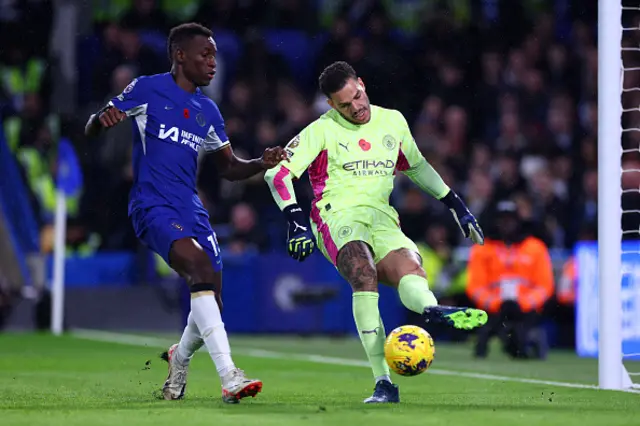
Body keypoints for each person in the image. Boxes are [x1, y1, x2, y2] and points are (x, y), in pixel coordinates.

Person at [84, 23, 288, 403]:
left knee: (211, 294)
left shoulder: (207, 110)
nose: (213, 63)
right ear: (180, 55)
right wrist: (100, 120)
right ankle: (229, 377)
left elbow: (228, 168)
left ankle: (179, 356)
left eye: (214, 55)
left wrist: (262, 161)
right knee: (199, 269)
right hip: (152, 203)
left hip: (191, 207)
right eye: (205, 55)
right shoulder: (147, 88)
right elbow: (91, 127)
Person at [264, 61, 487, 404]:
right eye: (344, 104)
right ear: (331, 106)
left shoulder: (393, 121)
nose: (355, 107)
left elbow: (417, 166)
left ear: (362, 84)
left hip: (383, 217)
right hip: (336, 216)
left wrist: (456, 204)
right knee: (363, 272)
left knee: (410, 270)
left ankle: (431, 310)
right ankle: (383, 381)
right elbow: (277, 174)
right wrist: (294, 219)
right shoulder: (321, 130)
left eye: (356, 96)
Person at [467, 200, 554, 360]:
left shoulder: (535, 248)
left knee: (523, 335)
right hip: (494, 309)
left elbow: (544, 286)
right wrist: (496, 303)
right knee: (487, 329)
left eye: (510, 219)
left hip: (526, 309)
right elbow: (475, 286)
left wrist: (523, 303)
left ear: (518, 221)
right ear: (495, 221)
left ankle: (526, 344)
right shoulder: (482, 249)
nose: (506, 224)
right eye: (502, 220)